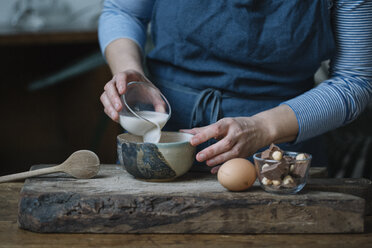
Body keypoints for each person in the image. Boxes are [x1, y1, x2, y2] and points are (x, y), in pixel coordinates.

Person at [98, 0, 372, 173]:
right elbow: (123, 10)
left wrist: (264, 127)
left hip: (279, 149)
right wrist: (128, 70)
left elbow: (354, 80)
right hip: (167, 135)